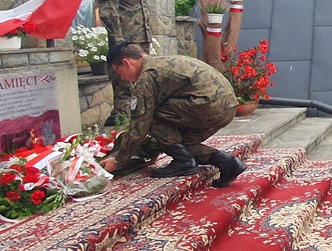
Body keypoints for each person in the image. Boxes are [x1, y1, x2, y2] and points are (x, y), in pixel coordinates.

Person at [98, 42, 246, 187]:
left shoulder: (146, 77)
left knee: (150, 115)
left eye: (119, 72)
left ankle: (184, 162)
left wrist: (118, 160)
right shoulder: (162, 61)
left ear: (127, 62)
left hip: (209, 106)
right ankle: (228, 163)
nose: (122, 78)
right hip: (228, 106)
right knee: (180, 144)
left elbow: (139, 125)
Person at [97, 0, 153, 127]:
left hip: (141, 42)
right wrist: (120, 45)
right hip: (125, 44)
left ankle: (142, 130)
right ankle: (122, 132)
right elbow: (108, 12)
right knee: (125, 90)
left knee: (143, 87)